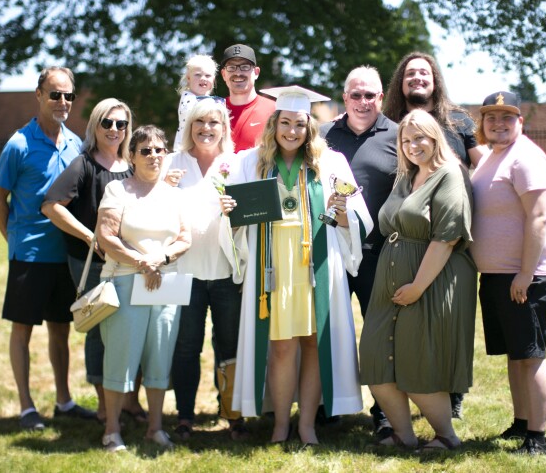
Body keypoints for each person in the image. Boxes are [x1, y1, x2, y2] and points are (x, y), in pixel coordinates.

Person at [221, 86, 372, 445]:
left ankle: (306, 424)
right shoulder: (249, 161)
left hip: (315, 263)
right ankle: (280, 425)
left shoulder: (331, 162)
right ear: (274, 124)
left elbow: (358, 217)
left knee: (314, 343)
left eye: (300, 124)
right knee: (281, 346)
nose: (292, 131)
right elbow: (234, 219)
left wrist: (342, 213)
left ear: (310, 128)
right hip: (271, 265)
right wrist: (230, 214)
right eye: (285, 123)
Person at [358, 109, 477, 451]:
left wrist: (417, 287)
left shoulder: (449, 174)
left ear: (435, 137)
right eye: (406, 141)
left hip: (430, 281)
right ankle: (404, 436)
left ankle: (446, 436)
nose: (413, 146)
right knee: (376, 359)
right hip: (390, 281)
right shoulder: (406, 177)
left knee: (418, 361)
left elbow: (446, 239)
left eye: (420, 138)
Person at [0, 66, 96, 431]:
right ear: (39, 95)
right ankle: (25, 406)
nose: (63, 102)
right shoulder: (18, 144)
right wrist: (13, 239)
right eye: (55, 94)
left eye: (68, 95)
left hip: (64, 256)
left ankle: (64, 401)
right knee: (23, 330)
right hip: (29, 256)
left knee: (60, 330)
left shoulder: (75, 143)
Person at [382, 51, 486, 417]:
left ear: (435, 79)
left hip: (447, 228)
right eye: (410, 74)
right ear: (401, 82)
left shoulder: (456, 119)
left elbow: (482, 162)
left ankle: (451, 396)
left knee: (447, 323)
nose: (417, 79)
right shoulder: (392, 123)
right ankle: (401, 395)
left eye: (423, 74)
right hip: (404, 227)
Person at [41, 98, 148, 424]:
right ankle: (104, 405)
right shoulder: (83, 164)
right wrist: (90, 236)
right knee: (101, 329)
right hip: (94, 263)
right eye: (107, 123)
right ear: (95, 126)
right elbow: (51, 206)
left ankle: (130, 400)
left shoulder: (132, 165)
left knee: (134, 327)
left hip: (131, 261)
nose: (114, 130)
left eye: (121, 124)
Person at [469, 91, 546, 456]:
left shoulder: (526, 158)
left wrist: (525, 273)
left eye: (507, 117)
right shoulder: (492, 156)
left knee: (531, 354)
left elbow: (538, 217)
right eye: (491, 117)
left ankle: (537, 438)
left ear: (520, 121)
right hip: (497, 277)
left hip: (524, 278)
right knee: (515, 354)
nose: (498, 123)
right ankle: (521, 422)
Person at [95, 125, 192, 452]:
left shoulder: (176, 195)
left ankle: (155, 428)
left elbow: (184, 238)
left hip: (167, 283)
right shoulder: (118, 191)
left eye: (159, 149)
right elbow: (106, 237)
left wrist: (159, 258)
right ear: (132, 156)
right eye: (145, 150)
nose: (153, 156)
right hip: (124, 280)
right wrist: (142, 262)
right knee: (121, 358)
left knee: (160, 358)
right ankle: (111, 430)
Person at [320, 65, 398, 439]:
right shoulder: (322, 137)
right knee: (325, 328)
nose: (363, 101)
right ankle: (327, 404)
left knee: (379, 335)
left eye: (371, 95)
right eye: (356, 94)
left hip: (379, 253)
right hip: (331, 249)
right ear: (344, 97)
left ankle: (384, 412)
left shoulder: (398, 137)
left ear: (381, 98)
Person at [166, 98, 249, 441]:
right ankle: (185, 416)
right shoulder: (173, 162)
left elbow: (250, 213)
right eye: (199, 123)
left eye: (214, 123)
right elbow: (151, 205)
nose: (206, 129)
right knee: (186, 346)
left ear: (224, 128)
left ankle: (231, 415)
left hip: (225, 270)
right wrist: (163, 188)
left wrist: (237, 208)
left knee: (228, 346)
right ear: (189, 128)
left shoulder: (236, 163)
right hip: (185, 273)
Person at [220, 43, 275, 153]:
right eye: (231, 67)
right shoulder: (213, 110)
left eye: (245, 67)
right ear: (224, 74)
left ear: (256, 72)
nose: (238, 73)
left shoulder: (274, 110)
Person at [174, 54, 218, 151]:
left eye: (208, 75)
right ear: (188, 78)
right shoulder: (188, 99)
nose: (203, 78)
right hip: (187, 150)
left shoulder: (209, 100)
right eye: (198, 75)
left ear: (213, 80)